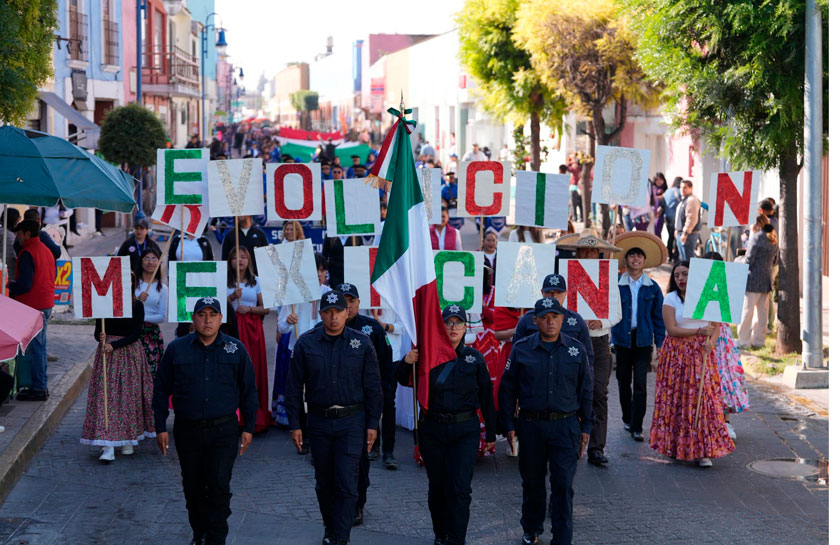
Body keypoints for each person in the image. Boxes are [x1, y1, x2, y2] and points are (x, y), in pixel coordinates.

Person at [153, 297, 258, 545]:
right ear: (194, 318)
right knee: (193, 486)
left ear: (221, 319)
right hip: (187, 431)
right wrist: (160, 426)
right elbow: (160, 389)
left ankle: (216, 537)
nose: (207, 320)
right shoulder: (177, 349)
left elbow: (249, 391)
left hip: (224, 431)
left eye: (213, 314)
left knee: (219, 485)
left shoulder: (236, 349)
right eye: (202, 314)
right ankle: (199, 532)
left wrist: (249, 428)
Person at [285, 290, 383, 545]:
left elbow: (373, 387)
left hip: (352, 422)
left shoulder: (361, 343)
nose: (333, 318)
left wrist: (373, 424)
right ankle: (331, 530)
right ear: (321, 314)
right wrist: (295, 424)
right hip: (318, 422)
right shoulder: (306, 343)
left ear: (346, 312)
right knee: (324, 483)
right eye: (327, 312)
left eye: (338, 312)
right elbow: (294, 387)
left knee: (347, 482)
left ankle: (341, 538)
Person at [397, 304, 496, 545]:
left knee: (460, 489)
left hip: (465, 431)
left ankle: (456, 539)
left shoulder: (475, 359)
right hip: (433, 431)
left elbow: (486, 397)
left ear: (465, 327)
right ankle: (441, 533)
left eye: (458, 323)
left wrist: (492, 432)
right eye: (448, 323)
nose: (453, 327)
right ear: (441, 327)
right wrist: (406, 361)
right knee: (438, 487)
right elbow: (402, 379)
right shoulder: (426, 356)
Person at [499, 296, 593, 545]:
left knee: (563, 485)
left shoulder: (577, 350)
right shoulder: (521, 349)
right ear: (535, 320)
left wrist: (587, 426)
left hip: (566, 426)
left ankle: (562, 538)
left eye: (555, 317)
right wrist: (508, 424)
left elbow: (586, 390)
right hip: (531, 426)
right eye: (545, 318)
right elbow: (507, 388)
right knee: (532, 483)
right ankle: (531, 529)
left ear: (563, 319)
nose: (550, 322)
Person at [649, 262, 735, 468]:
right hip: (676, 354)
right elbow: (671, 329)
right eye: (677, 275)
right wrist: (697, 332)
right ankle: (675, 446)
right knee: (677, 399)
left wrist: (710, 343)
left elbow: (716, 325)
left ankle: (703, 450)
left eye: (685, 274)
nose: (681, 278)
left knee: (703, 399)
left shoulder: (707, 295)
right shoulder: (670, 298)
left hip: (701, 353)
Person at [555, 231, 623, 466]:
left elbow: (617, 313)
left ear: (598, 254)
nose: (587, 255)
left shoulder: (608, 279)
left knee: (598, 394)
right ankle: (571, 440)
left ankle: (596, 447)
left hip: (599, 341)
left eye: (591, 251)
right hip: (572, 340)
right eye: (583, 251)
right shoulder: (567, 276)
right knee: (570, 390)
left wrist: (601, 322)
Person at [332, 283, 394, 525]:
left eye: (352, 300)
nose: (347, 305)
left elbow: (386, 364)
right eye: (342, 300)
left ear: (359, 302)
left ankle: (358, 503)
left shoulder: (372, 328)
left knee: (359, 460)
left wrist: (384, 395)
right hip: (332, 407)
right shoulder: (322, 330)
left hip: (361, 406)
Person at [81, 273, 155, 462]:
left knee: (129, 397)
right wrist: (101, 338)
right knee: (107, 398)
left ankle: (128, 438)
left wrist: (114, 345)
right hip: (107, 356)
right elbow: (98, 332)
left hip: (129, 354)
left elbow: (136, 333)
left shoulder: (137, 305)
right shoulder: (103, 306)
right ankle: (107, 444)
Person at [611, 232, 667, 443]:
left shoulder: (652, 287)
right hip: (622, 340)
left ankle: (637, 425)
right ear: (626, 260)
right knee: (623, 381)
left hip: (643, 340)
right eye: (631, 256)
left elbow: (658, 318)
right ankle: (627, 417)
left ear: (644, 261)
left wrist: (660, 343)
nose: (635, 259)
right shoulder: (616, 284)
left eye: (639, 256)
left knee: (641, 384)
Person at [703, 252, 749, 440]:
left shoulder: (726, 283)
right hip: (701, 332)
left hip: (721, 335)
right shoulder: (696, 283)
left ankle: (726, 420)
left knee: (724, 376)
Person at [8, 220, 56, 401]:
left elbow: (25, 284)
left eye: (20, 234)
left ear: (28, 234)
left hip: (34, 305)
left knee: (36, 348)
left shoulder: (28, 253)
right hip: (45, 303)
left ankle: (38, 387)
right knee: (40, 347)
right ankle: (41, 385)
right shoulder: (46, 250)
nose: (18, 237)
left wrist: (11, 286)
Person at [226, 247, 272, 433]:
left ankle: (254, 415)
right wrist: (231, 297)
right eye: (236, 257)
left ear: (249, 261)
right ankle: (234, 415)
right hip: (232, 328)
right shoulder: (226, 281)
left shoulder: (256, 282)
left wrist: (250, 309)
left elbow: (266, 308)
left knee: (253, 368)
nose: (240, 261)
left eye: (243, 257)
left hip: (253, 330)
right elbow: (217, 305)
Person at [738, 219, 778, 350]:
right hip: (766, 278)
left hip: (753, 278)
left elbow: (748, 260)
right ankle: (759, 341)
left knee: (747, 311)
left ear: (757, 224)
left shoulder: (756, 238)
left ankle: (743, 341)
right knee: (762, 314)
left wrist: (739, 260)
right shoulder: (772, 238)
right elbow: (775, 260)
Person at [136, 248, 168, 376]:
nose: (150, 262)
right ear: (141, 261)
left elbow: (161, 317)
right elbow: (125, 308)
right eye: (147, 258)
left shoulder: (163, 288)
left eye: (154, 258)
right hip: (133, 332)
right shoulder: (133, 284)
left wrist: (141, 317)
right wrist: (137, 301)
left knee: (151, 373)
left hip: (151, 334)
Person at [675, 179, 701, 261]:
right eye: (681, 187)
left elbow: (691, 218)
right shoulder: (685, 199)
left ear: (691, 188)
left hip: (689, 235)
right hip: (681, 233)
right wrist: (677, 230)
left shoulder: (691, 200)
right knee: (683, 260)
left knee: (688, 261)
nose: (682, 190)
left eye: (685, 187)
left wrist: (685, 233)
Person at [662, 177, 682, 262]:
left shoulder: (667, 191)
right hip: (675, 217)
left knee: (670, 237)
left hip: (667, 216)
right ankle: (675, 256)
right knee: (676, 236)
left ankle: (669, 255)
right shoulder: (679, 192)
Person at [2, 208, 21, 282]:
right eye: (18, 217)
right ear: (14, 219)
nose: (19, 220)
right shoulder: (8, 235)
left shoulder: (6, 233)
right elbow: (12, 256)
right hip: (10, 273)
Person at [481, 231, 497, 297]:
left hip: (497, 292)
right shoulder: (477, 255)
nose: (491, 243)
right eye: (488, 240)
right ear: (483, 241)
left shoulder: (502, 255)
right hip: (483, 293)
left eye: (493, 240)